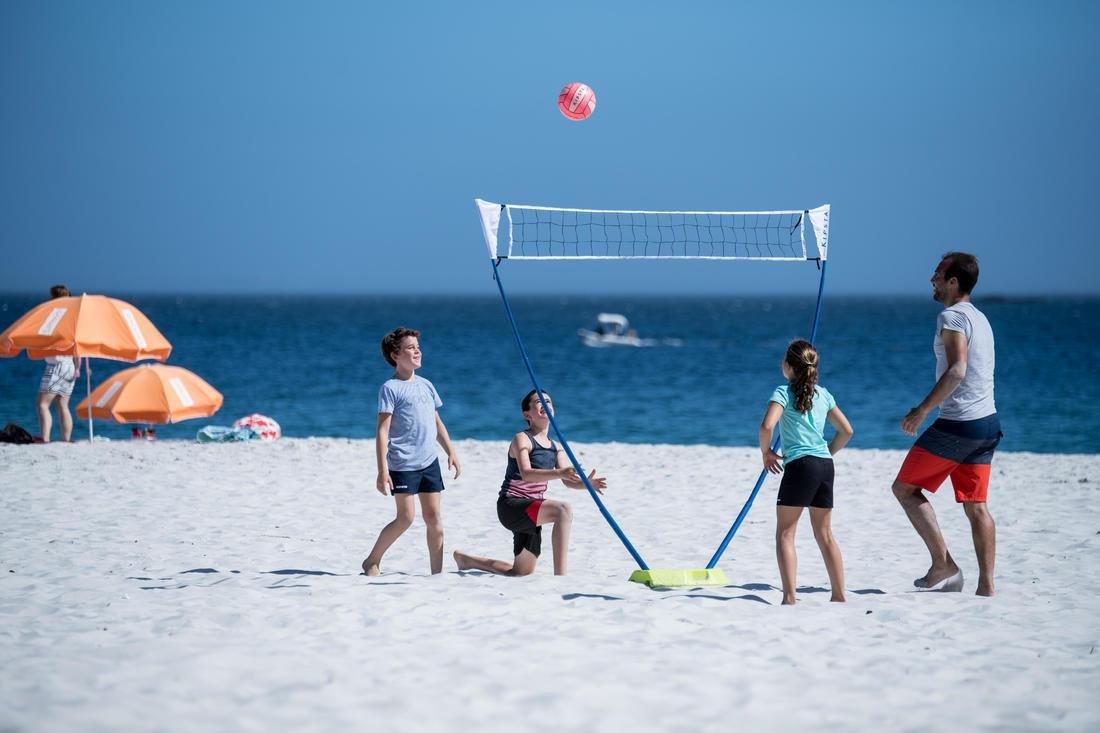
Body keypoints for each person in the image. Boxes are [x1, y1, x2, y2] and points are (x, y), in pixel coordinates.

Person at [893, 252, 1000, 597]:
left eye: (937, 274)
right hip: (987, 424)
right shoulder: (980, 318)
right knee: (976, 505)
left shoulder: (952, 317)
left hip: (959, 425)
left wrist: (922, 410)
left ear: (953, 282)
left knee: (904, 489)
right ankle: (986, 587)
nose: (931, 280)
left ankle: (943, 564)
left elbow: (957, 370)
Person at [453, 389, 606, 576]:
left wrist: (586, 485)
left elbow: (568, 481)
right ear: (527, 414)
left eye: (548, 401)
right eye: (539, 401)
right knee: (563, 510)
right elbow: (526, 474)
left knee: (520, 572)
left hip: (533, 511)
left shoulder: (555, 447)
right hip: (511, 505)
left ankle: (467, 560)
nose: (545, 403)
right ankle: (561, 577)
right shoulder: (522, 439)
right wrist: (560, 472)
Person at [760, 340, 854, 605]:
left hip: (800, 466)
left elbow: (767, 425)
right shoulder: (823, 394)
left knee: (785, 534)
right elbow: (847, 431)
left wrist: (766, 452)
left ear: (788, 366)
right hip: (825, 466)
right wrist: (826, 453)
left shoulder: (783, 392)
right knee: (824, 534)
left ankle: (790, 597)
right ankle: (838, 595)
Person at [362, 327, 461, 576]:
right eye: (410, 347)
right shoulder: (390, 388)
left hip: (429, 462)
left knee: (434, 518)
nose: (417, 351)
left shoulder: (427, 385)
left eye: (418, 347)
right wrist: (382, 470)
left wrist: (451, 450)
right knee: (405, 518)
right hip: (402, 464)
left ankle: (436, 574)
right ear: (396, 355)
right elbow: (382, 431)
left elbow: (436, 422)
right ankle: (372, 560)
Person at [36, 285, 80, 443]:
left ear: (53, 297)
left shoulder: (54, 315)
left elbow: (44, 335)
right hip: (70, 366)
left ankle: (45, 439)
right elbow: (77, 345)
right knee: (63, 404)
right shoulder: (73, 317)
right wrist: (79, 367)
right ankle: (66, 440)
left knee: (42, 404)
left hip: (56, 365)